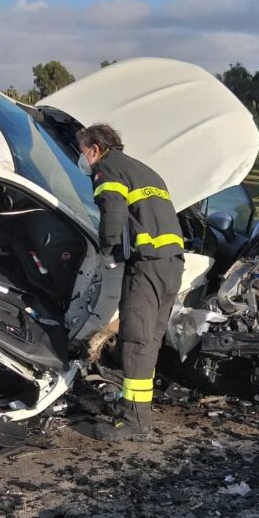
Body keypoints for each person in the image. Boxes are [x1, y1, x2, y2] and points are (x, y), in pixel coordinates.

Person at [76, 123, 184, 442]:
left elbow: (112, 212)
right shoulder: (143, 170)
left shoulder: (108, 168)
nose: (82, 160)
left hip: (147, 266)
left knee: (135, 341)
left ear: (94, 149)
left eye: (82, 152)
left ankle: (135, 422)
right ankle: (138, 410)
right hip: (172, 264)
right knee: (148, 341)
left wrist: (106, 252)